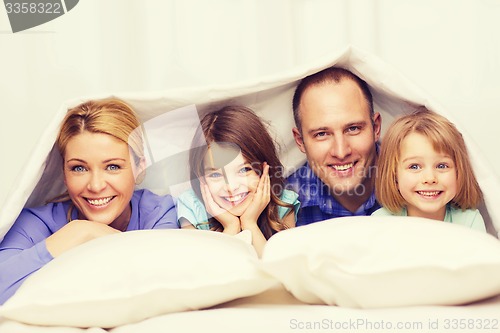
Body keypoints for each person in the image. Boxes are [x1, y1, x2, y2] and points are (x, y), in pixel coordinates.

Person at [0, 98, 178, 304]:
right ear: (64, 174)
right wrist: (78, 232)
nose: (95, 186)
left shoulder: (162, 212)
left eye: (112, 167)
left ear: (140, 167)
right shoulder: (34, 222)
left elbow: (160, 286)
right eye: (79, 168)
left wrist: (106, 239)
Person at [176, 105, 300, 256]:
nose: (231, 187)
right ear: (201, 177)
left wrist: (250, 224)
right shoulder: (191, 208)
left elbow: (279, 274)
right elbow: (206, 272)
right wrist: (231, 226)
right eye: (215, 175)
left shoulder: (283, 204)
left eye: (244, 170)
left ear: (264, 170)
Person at [286, 66, 382, 226]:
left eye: (353, 129)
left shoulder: (420, 181)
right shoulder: (283, 203)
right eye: (322, 134)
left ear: (376, 128)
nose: (341, 152)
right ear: (300, 141)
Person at [372, 108, 486, 231]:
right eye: (414, 167)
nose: (430, 178)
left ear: (459, 171)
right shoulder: (380, 223)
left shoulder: (469, 222)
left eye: (442, 166)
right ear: (394, 175)